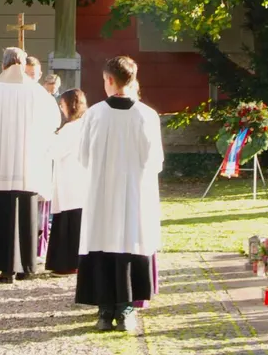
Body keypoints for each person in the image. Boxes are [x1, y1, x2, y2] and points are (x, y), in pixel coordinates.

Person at [76, 56, 162, 333]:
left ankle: (104, 311)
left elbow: (83, 156)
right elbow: (156, 162)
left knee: (102, 243)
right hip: (135, 194)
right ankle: (125, 310)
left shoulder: (94, 114)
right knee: (129, 243)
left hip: (101, 193)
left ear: (110, 80)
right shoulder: (147, 115)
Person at [0, 46, 62, 282]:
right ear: (22, 65)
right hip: (26, 165)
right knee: (23, 215)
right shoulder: (37, 92)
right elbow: (52, 123)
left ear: (3, 65)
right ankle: (24, 266)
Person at [46, 89, 89, 275]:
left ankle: (68, 263)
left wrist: (49, 137)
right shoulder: (86, 125)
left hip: (70, 182)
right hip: (81, 180)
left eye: (62, 105)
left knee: (69, 221)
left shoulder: (70, 129)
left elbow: (54, 151)